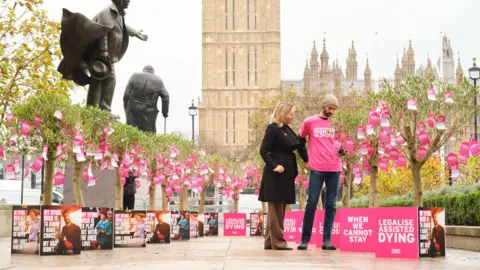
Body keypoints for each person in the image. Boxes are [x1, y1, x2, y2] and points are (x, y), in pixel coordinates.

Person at [57, 0, 148, 112]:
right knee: (100, 81)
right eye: (127, 0)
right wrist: (103, 51)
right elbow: (103, 31)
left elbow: (123, 26)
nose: (129, 2)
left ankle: (102, 110)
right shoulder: (107, 12)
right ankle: (94, 110)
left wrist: (136, 33)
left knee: (108, 82)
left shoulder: (117, 14)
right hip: (100, 56)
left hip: (108, 57)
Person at [258, 102, 308, 250]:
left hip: (286, 173)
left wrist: (307, 159)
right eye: (291, 114)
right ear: (283, 114)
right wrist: (274, 166)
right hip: (276, 174)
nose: (293, 117)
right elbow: (263, 150)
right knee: (275, 210)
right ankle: (278, 242)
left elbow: (299, 145)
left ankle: (270, 242)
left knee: (279, 208)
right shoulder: (273, 129)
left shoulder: (286, 129)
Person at [297, 94, 343, 251]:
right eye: (330, 108)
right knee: (311, 202)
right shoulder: (310, 122)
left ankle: (327, 240)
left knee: (330, 204)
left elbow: (340, 142)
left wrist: (343, 149)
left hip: (334, 168)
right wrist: (305, 159)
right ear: (323, 106)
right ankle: (305, 240)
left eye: (334, 109)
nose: (332, 111)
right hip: (316, 168)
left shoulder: (337, 123)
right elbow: (300, 140)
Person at [123, 65, 170, 133]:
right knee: (149, 134)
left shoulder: (134, 76)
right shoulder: (159, 80)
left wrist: (126, 107)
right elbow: (166, 96)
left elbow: (126, 94)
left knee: (131, 132)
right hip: (149, 111)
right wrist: (165, 112)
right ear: (153, 72)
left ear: (144, 70)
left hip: (133, 109)